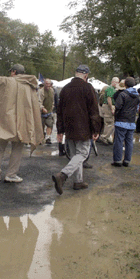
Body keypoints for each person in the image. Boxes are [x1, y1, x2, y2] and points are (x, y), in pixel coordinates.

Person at [0, 63, 43, 183]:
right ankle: (11, 175)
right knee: (17, 149)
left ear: (14, 72)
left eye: (11, 72)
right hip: (22, 122)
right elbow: (33, 106)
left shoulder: (7, 81)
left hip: (5, 122)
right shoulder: (29, 85)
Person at [52, 65, 101, 195]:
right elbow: (94, 111)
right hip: (83, 128)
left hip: (69, 128)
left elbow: (59, 111)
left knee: (75, 156)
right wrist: (96, 129)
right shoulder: (87, 88)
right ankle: (62, 175)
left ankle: (78, 181)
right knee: (83, 154)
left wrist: (60, 130)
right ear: (86, 75)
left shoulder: (65, 89)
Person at [111, 77, 140, 167]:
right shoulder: (137, 96)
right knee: (129, 141)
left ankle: (118, 160)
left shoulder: (123, 94)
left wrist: (116, 115)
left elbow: (118, 107)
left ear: (125, 85)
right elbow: (137, 108)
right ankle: (127, 160)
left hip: (121, 121)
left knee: (119, 141)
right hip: (131, 121)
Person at [98, 77, 119, 145]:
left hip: (108, 106)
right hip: (108, 106)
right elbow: (109, 99)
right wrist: (111, 108)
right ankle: (104, 137)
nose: (117, 84)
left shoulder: (112, 88)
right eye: (117, 82)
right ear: (113, 82)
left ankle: (106, 137)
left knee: (110, 123)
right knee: (109, 123)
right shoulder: (110, 88)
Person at [38, 78, 55, 144]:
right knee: (41, 126)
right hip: (41, 112)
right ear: (44, 84)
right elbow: (39, 101)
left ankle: (48, 137)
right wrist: (42, 108)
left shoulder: (52, 90)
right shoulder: (41, 91)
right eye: (47, 84)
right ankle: (41, 138)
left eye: (49, 84)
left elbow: (53, 100)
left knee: (49, 124)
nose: (48, 85)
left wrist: (52, 107)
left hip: (49, 111)